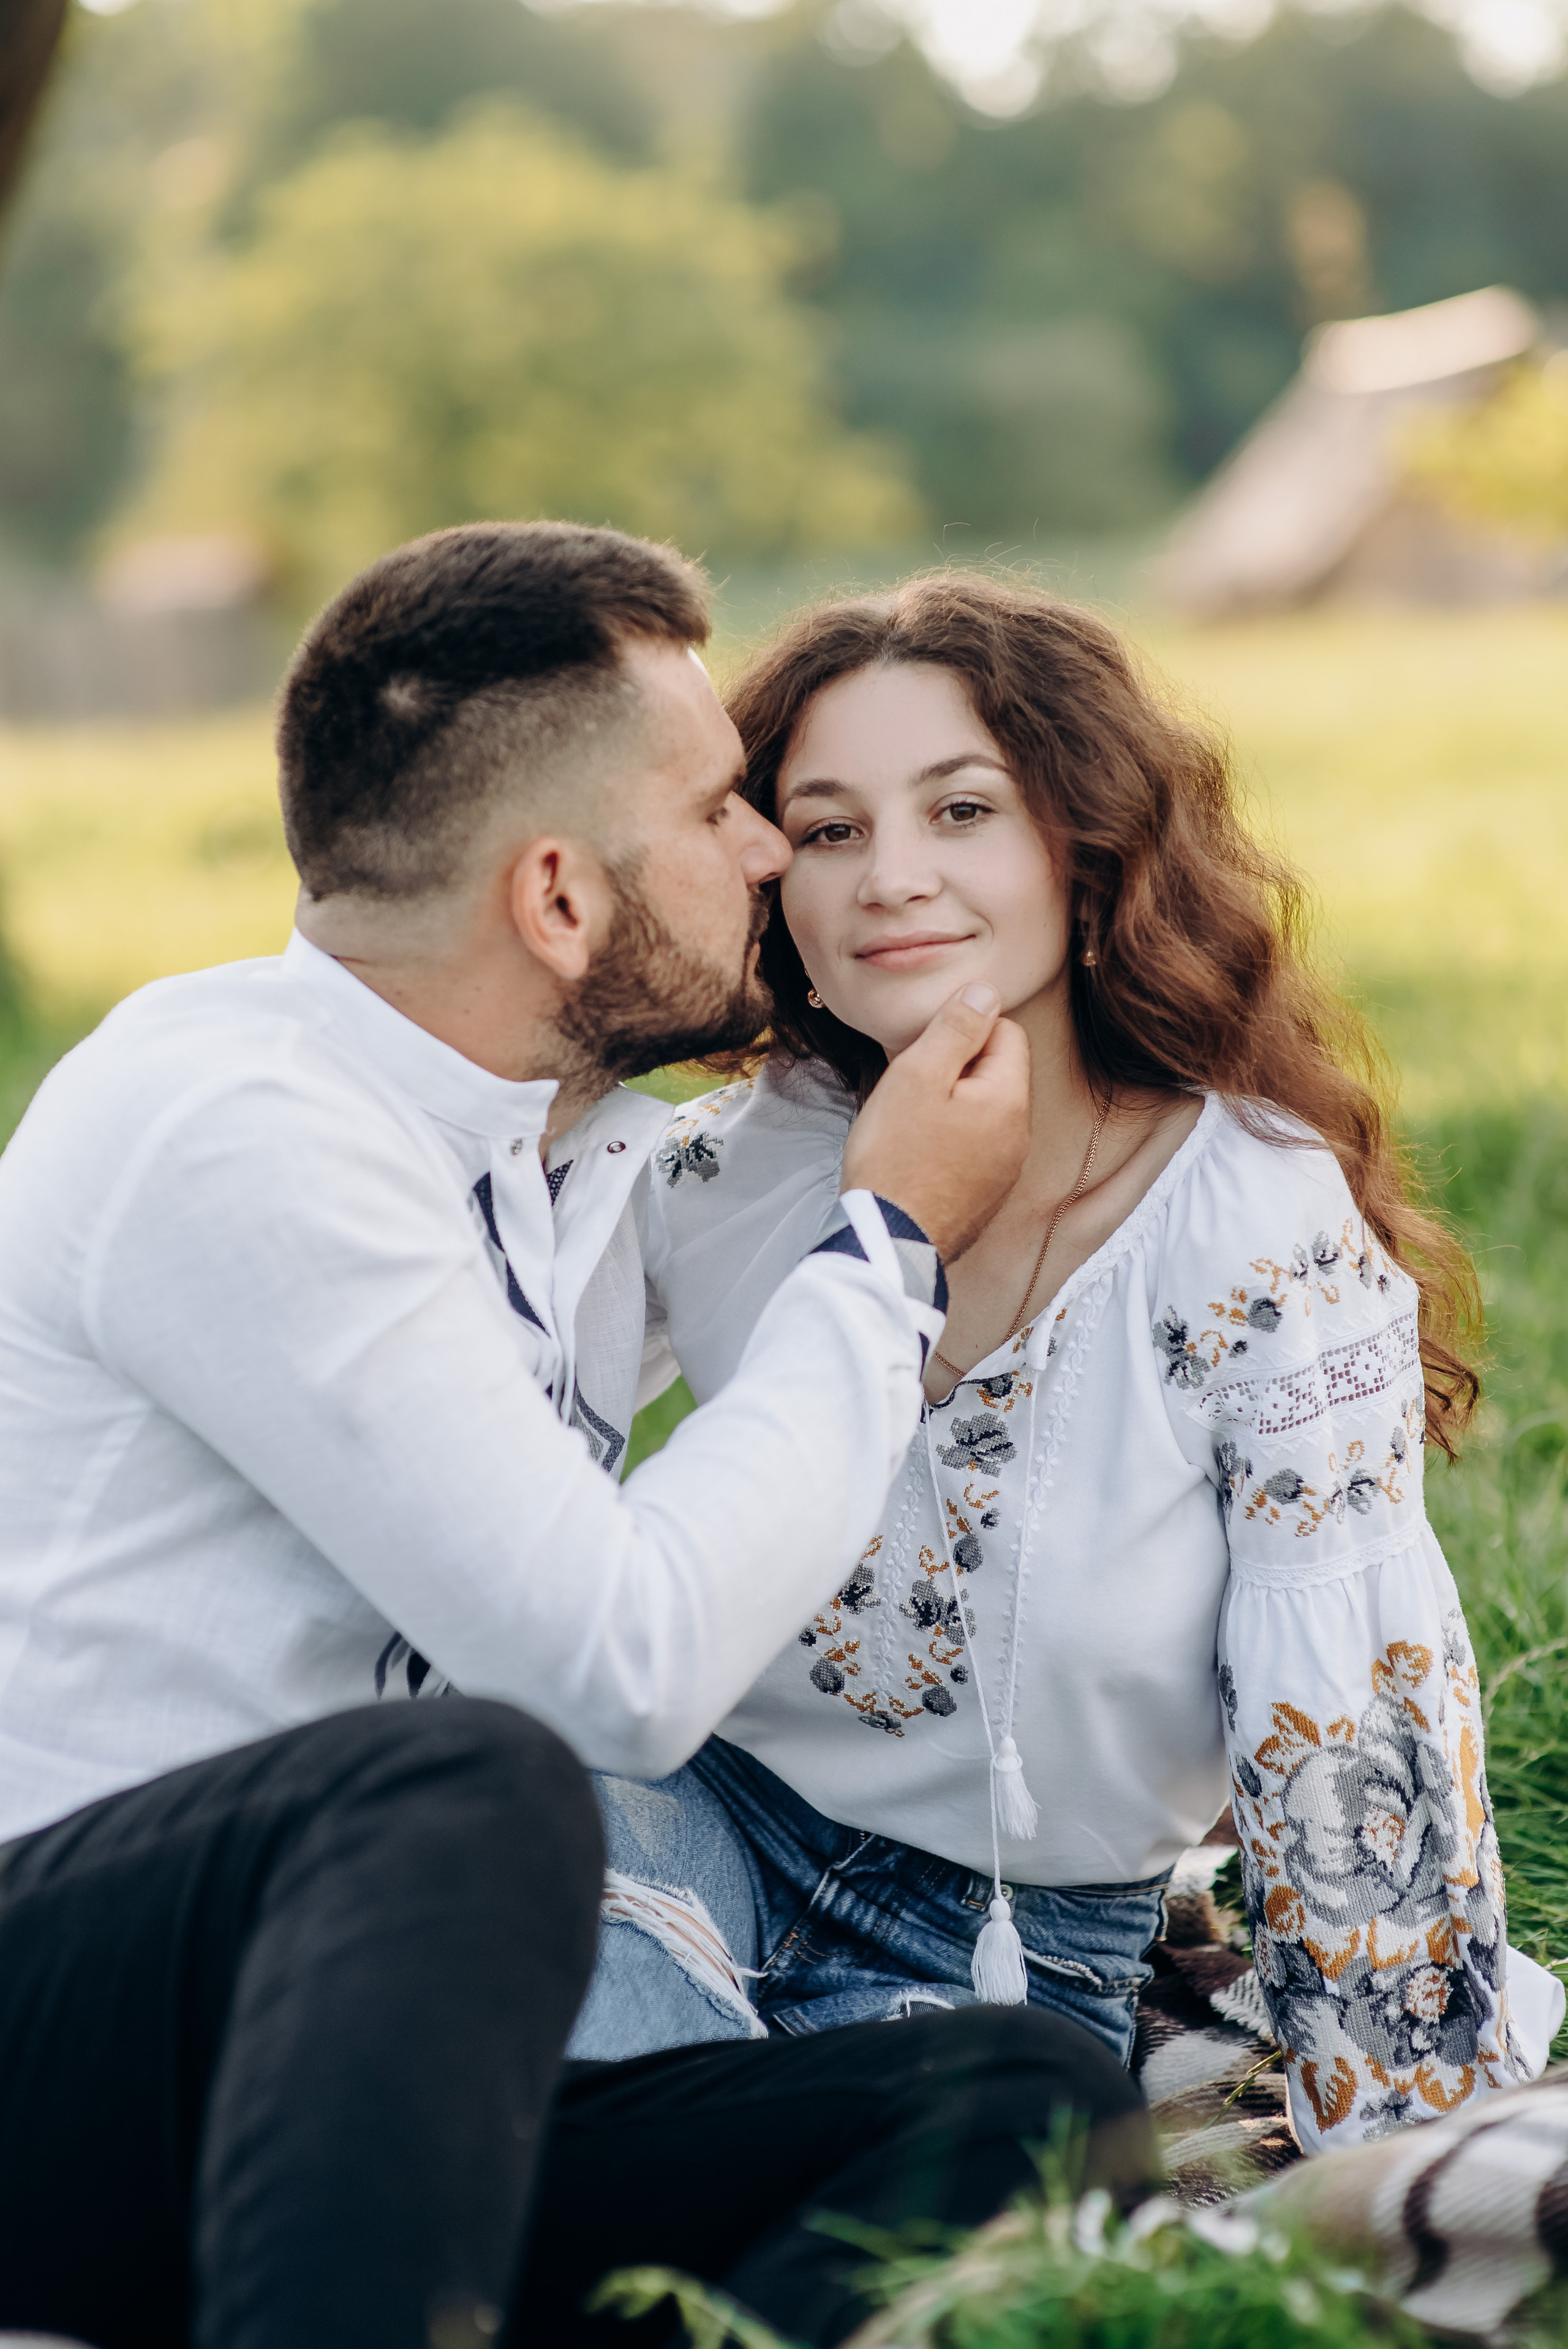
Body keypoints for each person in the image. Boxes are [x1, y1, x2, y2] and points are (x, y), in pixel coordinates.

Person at [0, 524, 1159, 2349]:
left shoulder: (571, 1156)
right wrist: (892, 1246)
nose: (772, 847)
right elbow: (623, 1662)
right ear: (557, 899)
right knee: (470, 1778)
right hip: (65, 2035)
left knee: (1021, 2102)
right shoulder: (226, 1123)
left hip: (358, 2080)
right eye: (720, 811)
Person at [580, 570, 1565, 2158]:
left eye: (961, 808)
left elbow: (1345, 1701)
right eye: (827, 828)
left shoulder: (1252, 1221)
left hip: (1003, 1945)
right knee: (480, 1968)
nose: (892, 874)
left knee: (903, 2185)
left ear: (1085, 847)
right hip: (691, 1824)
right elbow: (472, 1454)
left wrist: (1395, 2130)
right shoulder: (729, 1173)